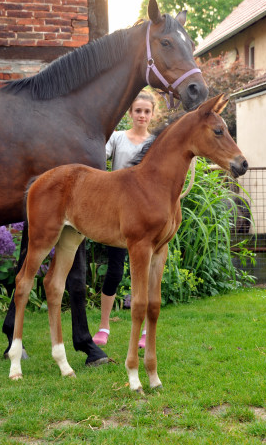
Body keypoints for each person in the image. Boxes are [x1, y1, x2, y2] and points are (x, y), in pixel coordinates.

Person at [92, 90, 157, 349]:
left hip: (147, 216)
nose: (142, 115)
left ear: (152, 114)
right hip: (119, 215)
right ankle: (104, 327)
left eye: (146, 111)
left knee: (146, 274)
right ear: (130, 113)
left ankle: (144, 334)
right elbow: (98, 160)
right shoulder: (117, 138)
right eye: (137, 110)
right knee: (115, 272)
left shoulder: (155, 142)